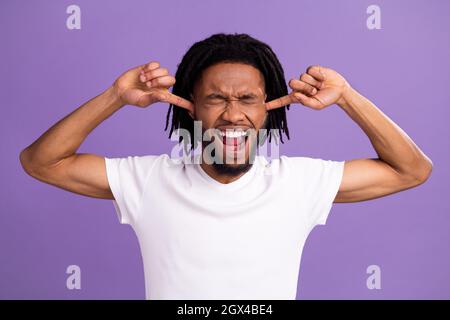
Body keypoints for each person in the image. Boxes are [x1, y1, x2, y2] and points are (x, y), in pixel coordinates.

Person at [19, 33, 432, 300]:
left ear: (269, 109)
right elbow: (42, 162)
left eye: (248, 99)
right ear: (189, 108)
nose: (233, 115)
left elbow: (411, 170)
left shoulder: (299, 183)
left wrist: (347, 96)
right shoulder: (147, 180)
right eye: (216, 99)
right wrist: (113, 96)